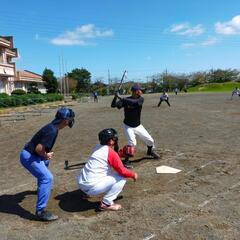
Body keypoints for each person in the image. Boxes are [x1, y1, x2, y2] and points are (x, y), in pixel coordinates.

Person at [20, 107, 75, 221]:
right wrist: (45, 155)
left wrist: (45, 156)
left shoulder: (52, 126)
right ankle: (40, 212)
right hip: (29, 156)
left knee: (45, 162)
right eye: (70, 119)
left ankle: (41, 188)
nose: (71, 121)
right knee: (47, 177)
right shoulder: (52, 130)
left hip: (32, 154)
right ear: (65, 120)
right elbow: (39, 148)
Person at [77, 128, 138, 211]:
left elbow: (109, 157)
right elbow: (122, 171)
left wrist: (119, 154)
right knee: (121, 178)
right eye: (114, 138)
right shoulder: (110, 153)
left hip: (81, 183)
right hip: (92, 188)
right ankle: (106, 203)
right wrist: (133, 174)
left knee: (93, 169)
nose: (115, 139)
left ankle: (85, 193)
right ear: (110, 141)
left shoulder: (97, 147)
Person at [111, 84, 160, 169]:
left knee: (150, 141)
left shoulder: (140, 99)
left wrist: (120, 98)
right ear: (135, 91)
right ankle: (126, 161)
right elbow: (113, 105)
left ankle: (150, 151)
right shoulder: (126, 100)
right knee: (132, 143)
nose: (141, 91)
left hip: (138, 125)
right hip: (128, 126)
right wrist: (115, 97)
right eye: (139, 90)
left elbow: (133, 103)